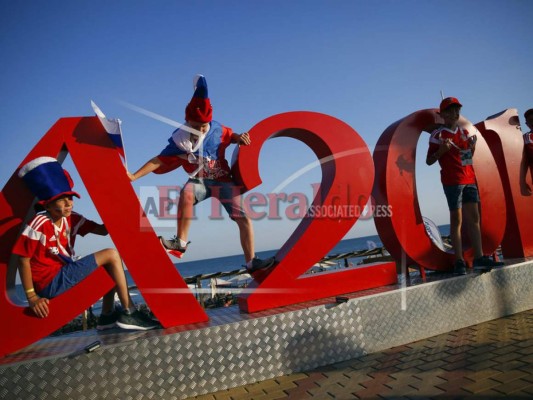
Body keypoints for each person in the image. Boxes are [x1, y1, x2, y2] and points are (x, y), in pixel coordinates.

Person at [129, 75, 275, 273]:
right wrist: (134, 176)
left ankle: (251, 262)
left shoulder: (216, 129)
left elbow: (230, 135)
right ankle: (180, 242)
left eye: (203, 127)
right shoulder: (179, 140)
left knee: (244, 219)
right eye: (195, 127)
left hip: (223, 180)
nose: (200, 130)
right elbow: (158, 160)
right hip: (200, 180)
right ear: (187, 121)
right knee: (186, 194)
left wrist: (239, 137)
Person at [13, 157, 159, 330]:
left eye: (70, 198)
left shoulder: (73, 219)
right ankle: (130, 311)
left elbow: (104, 230)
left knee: (109, 267)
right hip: (49, 283)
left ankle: (106, 317)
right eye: (62, 200)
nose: (68, 203)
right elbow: (22, 259)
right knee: (112, 254)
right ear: (48, 205)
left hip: (63, 273)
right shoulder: (40, 223)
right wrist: (32, 297)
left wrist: (129, 209)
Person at [426, 97, 504, 275]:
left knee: (475, 219)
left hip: (469, 179)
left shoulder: (464, 133)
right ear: (443, 114)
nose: (455, 113)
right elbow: (429, 161)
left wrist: (472, 148)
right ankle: (459, 260)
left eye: (457, 109)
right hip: (452, 182)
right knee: (457, 221)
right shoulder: (437, 135)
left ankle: (478, 257)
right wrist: (441, 151)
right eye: (451, 110)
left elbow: (466, 159)